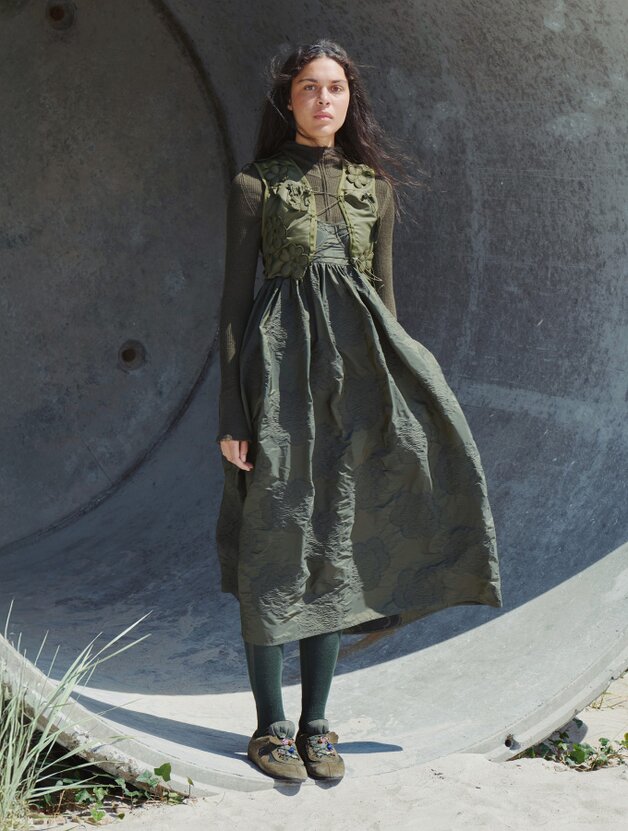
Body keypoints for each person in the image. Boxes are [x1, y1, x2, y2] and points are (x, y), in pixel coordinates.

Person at [215, 39, 503, 784]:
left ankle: (316, 724)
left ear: (351, 100)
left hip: (356, 385)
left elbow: (386, 304)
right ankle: (269, 726)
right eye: (309, 88)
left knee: (337, 541)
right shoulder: (255, 184)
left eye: (336, 88)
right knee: (274, 540)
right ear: (288, 101)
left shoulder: (374, 188)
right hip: (278, 381)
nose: (324, 100)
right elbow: (233, 306)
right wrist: (233, 413)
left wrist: (399, 405)